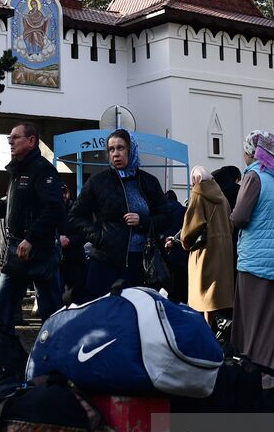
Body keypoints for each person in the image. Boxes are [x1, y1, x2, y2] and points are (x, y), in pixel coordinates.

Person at [69, 129, 169, 299]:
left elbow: (166, 217)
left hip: (140, 263)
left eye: (121, 148)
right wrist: (99, 236)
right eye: (111, 149)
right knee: (102, 315)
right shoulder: (97, 182)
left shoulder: (149, 182)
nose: (116, 153)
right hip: (104, 261)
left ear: (131, 150)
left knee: (135, 315)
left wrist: (143, 221)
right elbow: (75, 217)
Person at [230, 131, 274, 390]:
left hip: (256, 259)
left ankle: (257, 378)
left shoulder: (254, 176)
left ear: (253, 152)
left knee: (254, 321)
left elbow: (239, 217)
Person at [0, 122, 64, 328]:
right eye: (9, 138)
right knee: (1, 302)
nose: (10, 142)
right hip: (15, 249)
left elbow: (54, 209)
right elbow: (14, 205)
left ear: (31, 141)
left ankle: (54, 353)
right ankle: (6, 351)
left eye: (15, 137)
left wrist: (31, 239)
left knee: (50, 308)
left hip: (41, 249)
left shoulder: (43, 170)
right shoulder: (17, 170)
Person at [180, 164, 235, 326]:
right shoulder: (222, 198)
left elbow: (190, 228)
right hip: (223, 251)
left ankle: (206, 336)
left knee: (202, 298)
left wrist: (185, 242)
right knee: (215, 298)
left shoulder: (198, 195)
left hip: (205, 252)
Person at [58, 184, 89, 305]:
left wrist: (69, 240)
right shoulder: (51, 209)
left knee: (75, 290)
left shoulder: (77, 210)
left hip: (74, 257)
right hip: (58, 258)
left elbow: (86, 233)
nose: (63, 195)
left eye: (65, 192)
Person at [160, 189, 190, 305]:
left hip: (164, 257)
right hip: (182, 256)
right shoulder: (184, 211)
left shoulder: (160, 212)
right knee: (181, 289)